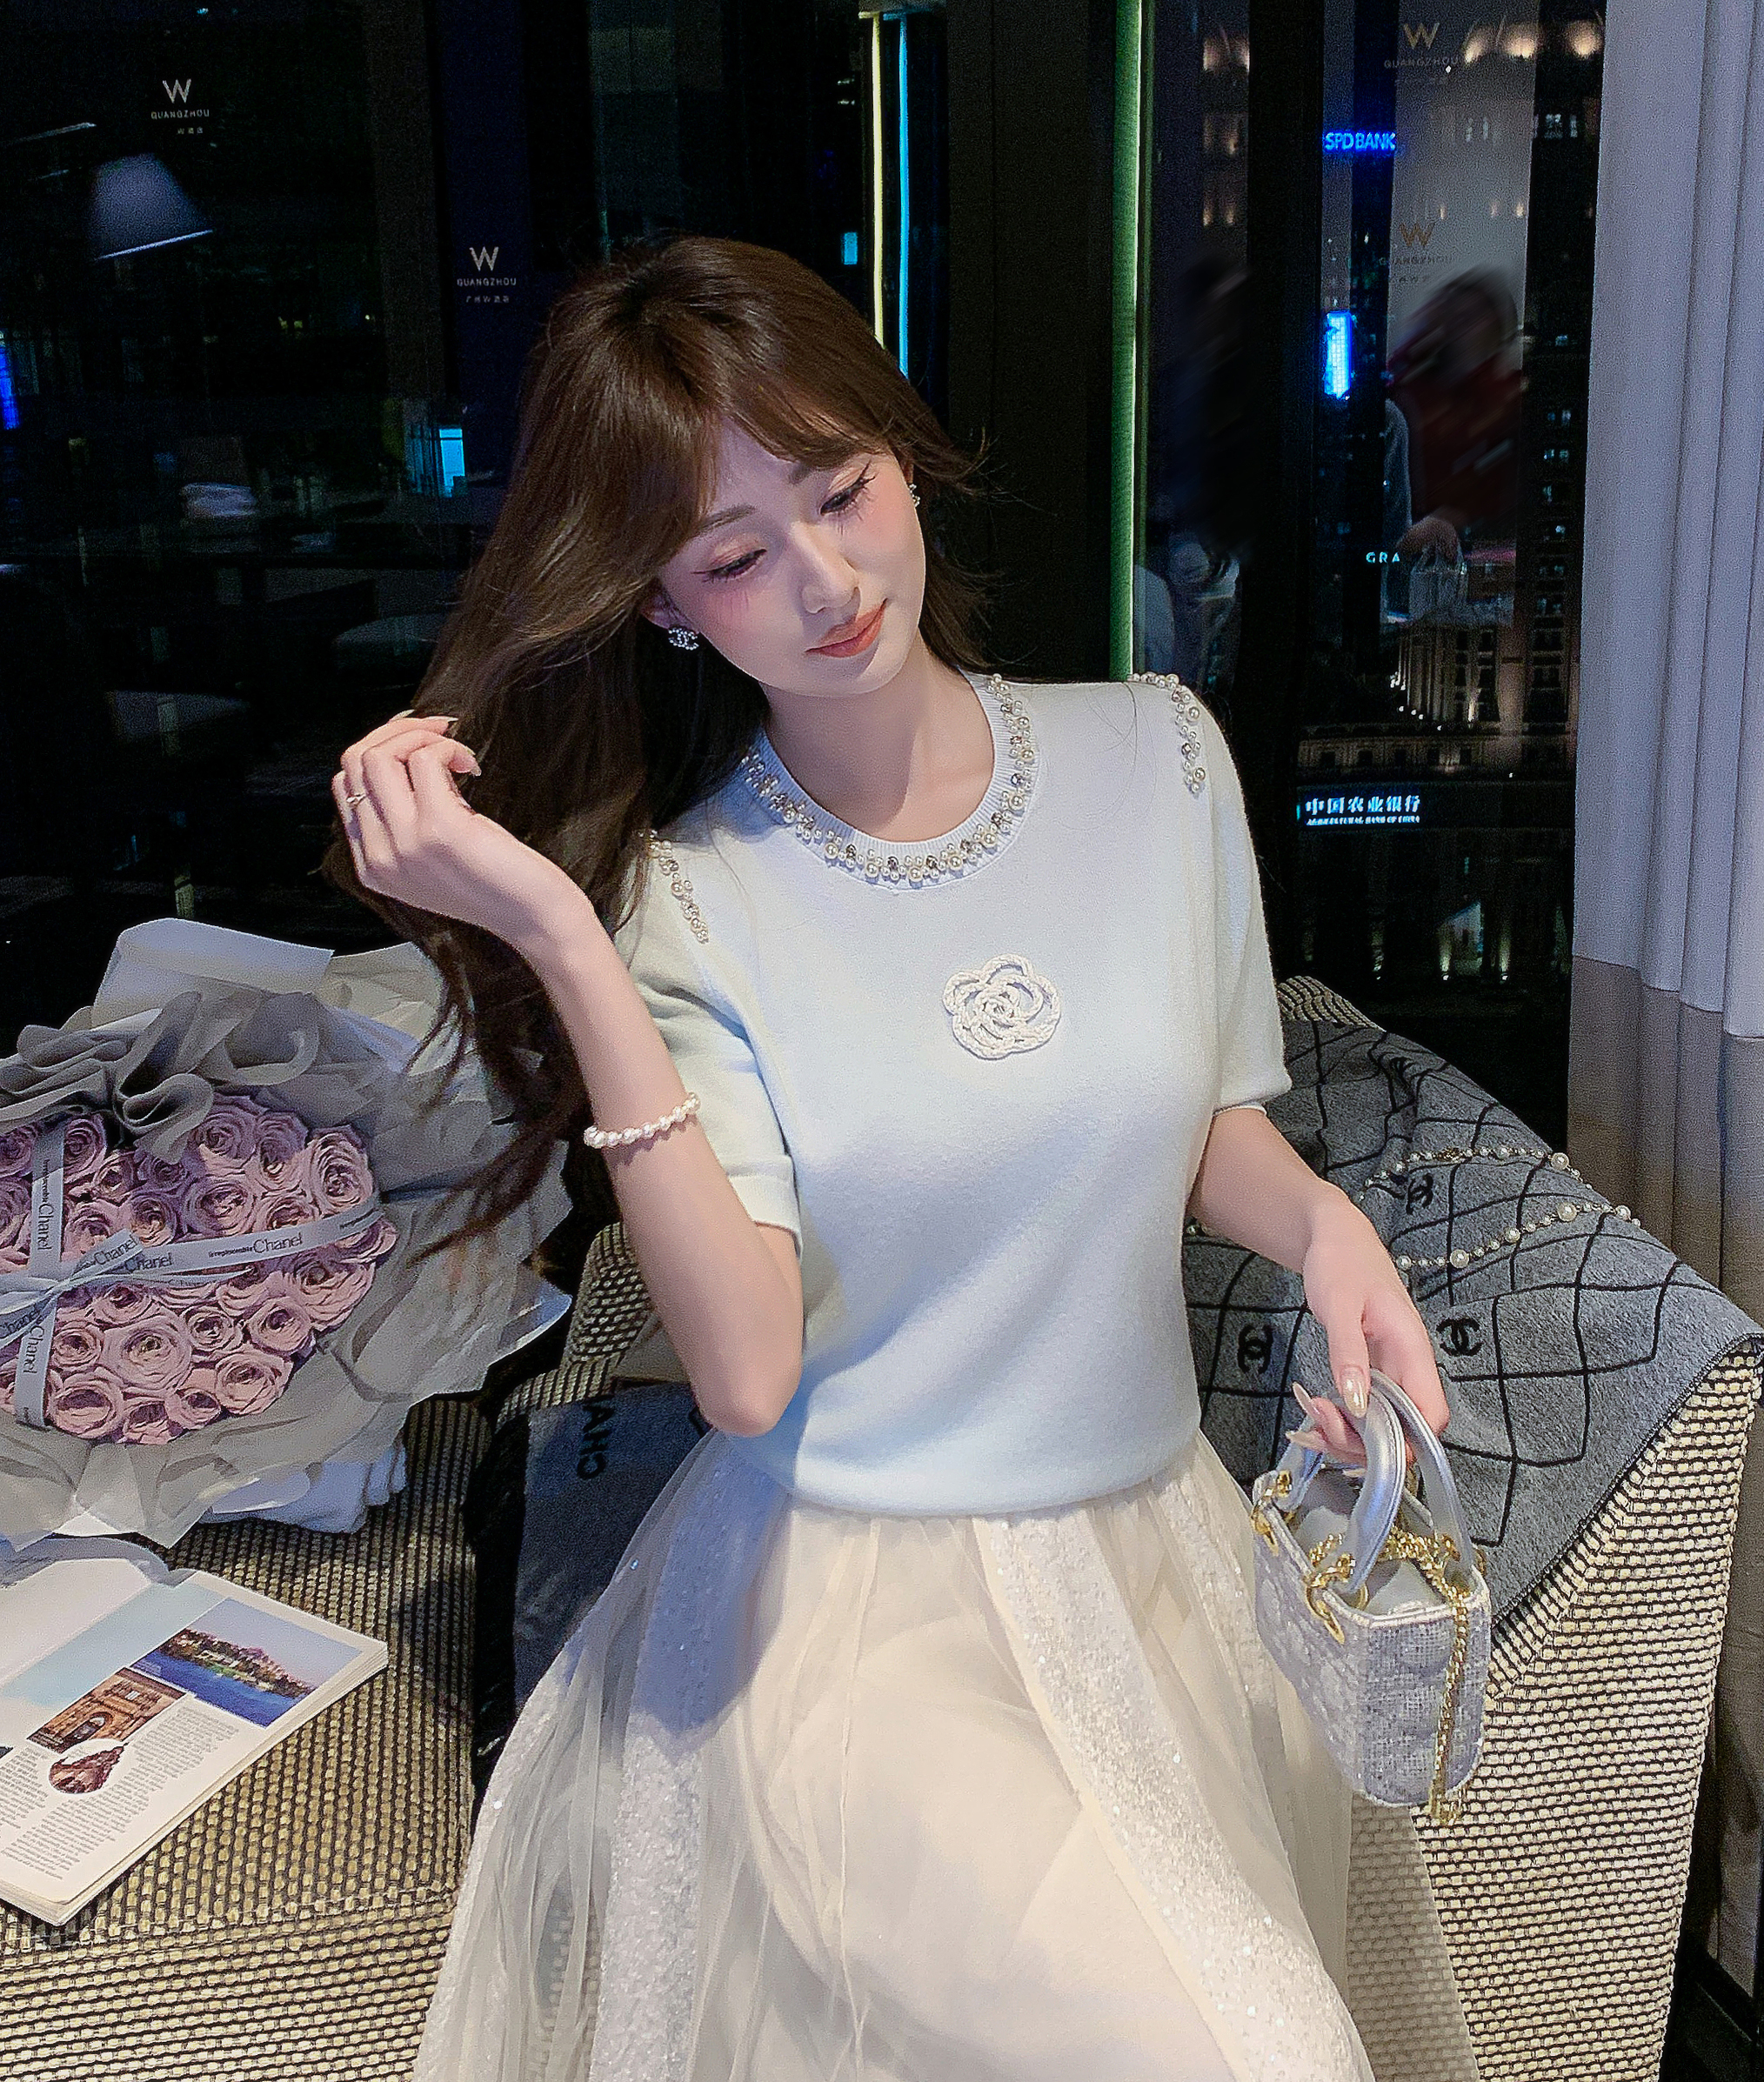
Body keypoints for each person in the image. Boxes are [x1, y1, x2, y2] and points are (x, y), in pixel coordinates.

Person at [328, 237, 1467, 2082]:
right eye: (731, 556)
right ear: (665, 606)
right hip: (861, 1623)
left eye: (838, 489)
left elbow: (1200, 1126)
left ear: (907, 456)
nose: (826, 579)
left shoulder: (1163, 760)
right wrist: (567, 939)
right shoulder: (690, 901)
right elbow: (745, 1371)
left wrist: (1327, 1228)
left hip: (1158, 1560)